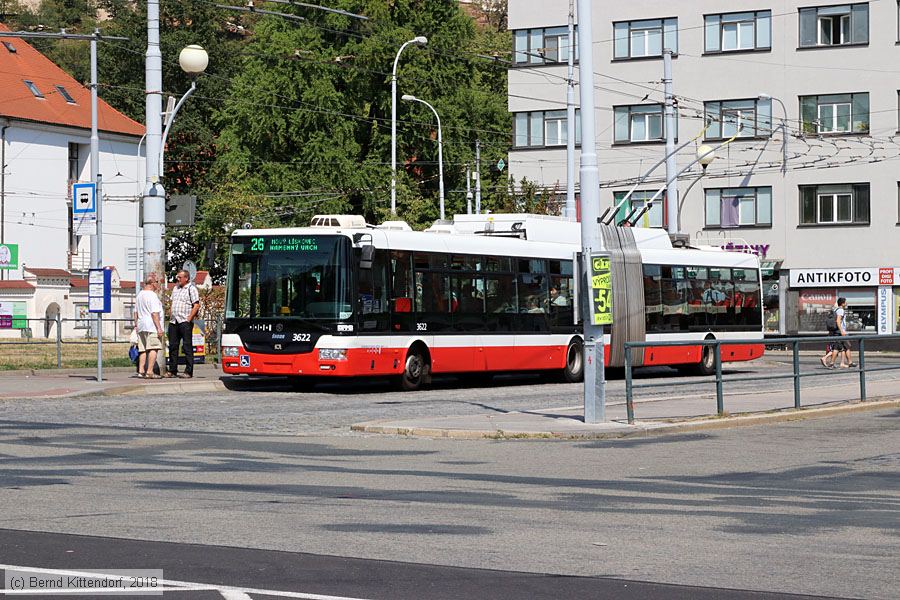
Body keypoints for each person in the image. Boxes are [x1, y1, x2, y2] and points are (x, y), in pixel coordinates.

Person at [167, 269, 201, 378]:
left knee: (187, 346)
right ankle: (172, 370)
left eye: (180, 277)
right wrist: (171, 314)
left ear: (186, 278)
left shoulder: (191, 289)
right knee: (173, 346)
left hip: (184, 321)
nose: (178, 279)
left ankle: (188, 371)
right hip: (174, 321)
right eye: (177, 277)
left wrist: (189, 318)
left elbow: (196, 305)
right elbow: (173, 303)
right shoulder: (175, 288)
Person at [134, 275, 164, 379]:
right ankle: (150, 371)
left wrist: (136, 325)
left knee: (142, 349)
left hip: (141, 325)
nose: (157, 284)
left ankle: (141, 371)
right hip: (151, 326)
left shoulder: (139, 295)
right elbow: (154, 313)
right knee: (153, 348)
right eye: (156, 281)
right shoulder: (152, 295)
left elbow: (136, 312)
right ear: (152, 283)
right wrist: (159, 328)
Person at [833, 297, 856, 369]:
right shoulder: (840, 311)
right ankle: (831, 362)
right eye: (845, 302)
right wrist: (842, 331)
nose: (846, 303)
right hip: (841, 332)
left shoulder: (836, 310)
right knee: (844, 347)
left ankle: (848, 362)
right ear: (842, 303)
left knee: (843, 348)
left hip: (838, 331)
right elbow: (838, 321)